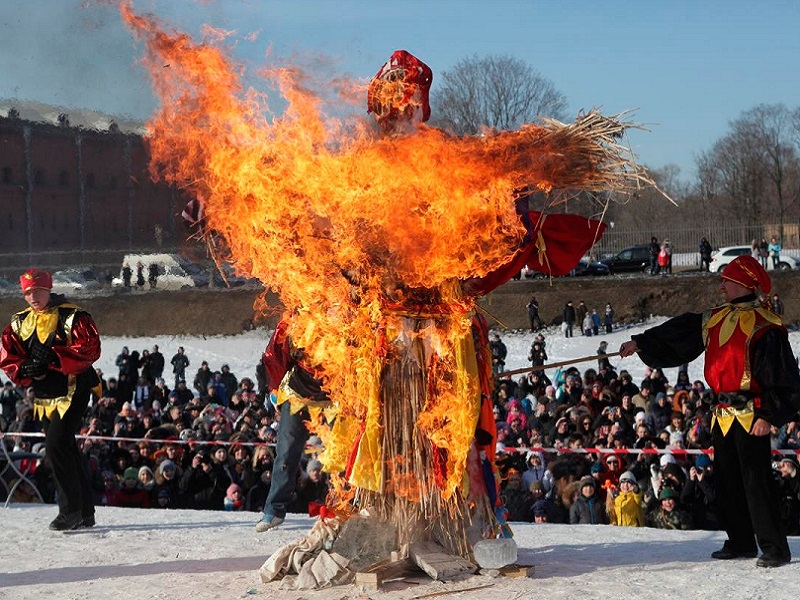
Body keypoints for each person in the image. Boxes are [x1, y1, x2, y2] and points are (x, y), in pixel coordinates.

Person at [620, 254, 800, 567]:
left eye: (727, 280)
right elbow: (680, 333)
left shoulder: (764, 325)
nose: (722, 286)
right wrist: (640, 342)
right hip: (723, 414)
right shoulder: (714, 318)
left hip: (751, 414)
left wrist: (768, 415)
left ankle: (774, 548)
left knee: (756, 482)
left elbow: (781, 376)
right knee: (727, 480)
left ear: (743, 283)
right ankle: (740, 541)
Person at [0, 269, 102, 530]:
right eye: (27, 293)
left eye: (37, 291)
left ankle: (69, 511)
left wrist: (55, 358)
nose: (33, 297)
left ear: (48, 290)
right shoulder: (20, 322)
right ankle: (85, 512)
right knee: (65, 447)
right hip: (45, 397)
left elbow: (90, 348)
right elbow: (8, 354)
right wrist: (24, 369)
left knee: (56, 444)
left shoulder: (72, 316)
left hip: (74, 390)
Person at [255, 319, 331, 532]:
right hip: (298, 393)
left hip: (334, 393)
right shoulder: (295, 320)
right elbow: (276, 357)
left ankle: (342, 509)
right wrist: (274, 392)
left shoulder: (342, 315)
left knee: (340, 456)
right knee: (286, 452)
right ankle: (274, 510)